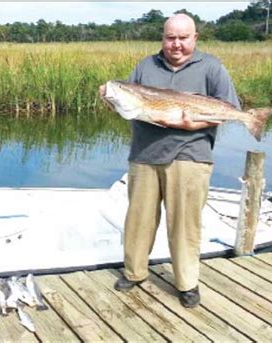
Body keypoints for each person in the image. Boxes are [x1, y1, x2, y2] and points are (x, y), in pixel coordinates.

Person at [101, 14, 240, 308]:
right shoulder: (145, 65)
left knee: (185, 224)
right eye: (170, 38)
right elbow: (130, 105)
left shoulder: (212, 67)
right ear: (163, 38)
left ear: (195, 38)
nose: (175, 44)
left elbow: (229, 109)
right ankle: (134, 272)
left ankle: (187, 283)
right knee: (138, 221)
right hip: (144, 154)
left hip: (190, 155)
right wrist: (110, 98)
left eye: (182, 38)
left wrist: (195, 125)